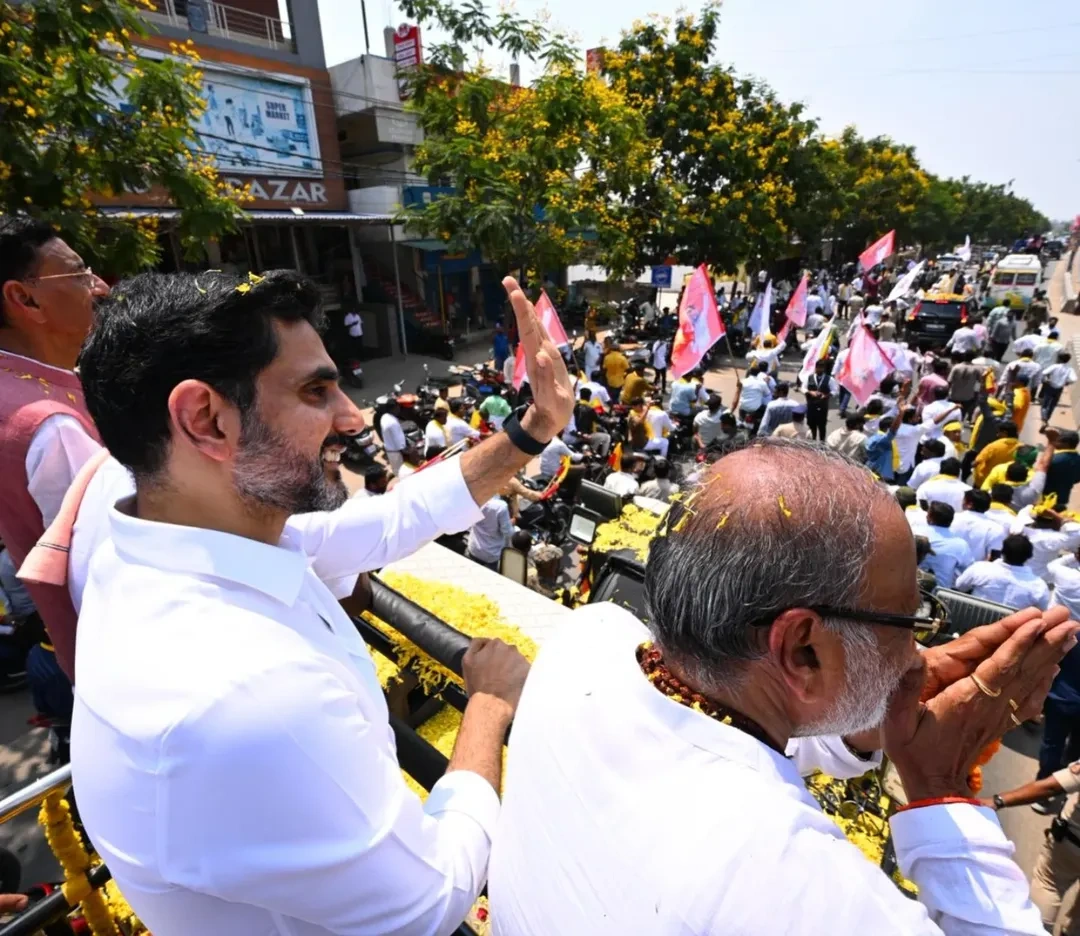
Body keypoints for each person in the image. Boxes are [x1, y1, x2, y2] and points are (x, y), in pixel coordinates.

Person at [69, 270, 575, 936]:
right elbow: (431, 901)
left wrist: (537, 428)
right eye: (316, 390)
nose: (352, 416)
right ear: (204, 418)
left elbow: (392, 522)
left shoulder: (154, 537)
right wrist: (487, 706)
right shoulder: (249, 694)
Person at [490, 436, 1077, 935]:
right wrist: (939, 786)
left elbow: (727, 740)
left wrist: (865, 730)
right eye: (909, 620)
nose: (919, 650)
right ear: (801, 650)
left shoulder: (590, 638)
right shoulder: (794, 883)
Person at [0, 217, 111, 680]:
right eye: (80, 273)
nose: (100, 286)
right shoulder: (54, 425)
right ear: (25, 298)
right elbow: (111, 571)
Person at [954, 534, 1050, 610]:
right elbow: (1041, 610)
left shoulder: (980, 568)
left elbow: (960, 586)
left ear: (1002, 552)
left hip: (970, 624)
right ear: (1029, 556)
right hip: (1009, 632)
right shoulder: (1039, 586)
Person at [920, 501, 974, 588]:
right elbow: (969, 570)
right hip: (941, 594)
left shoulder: (914, 532)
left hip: (911, 587)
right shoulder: (961, 545)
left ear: (930, 517)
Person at [951, 488, 1007, 563]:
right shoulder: (996, 528)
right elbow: (994, 558)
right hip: (976, 572)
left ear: (969, 504)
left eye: (963, 500)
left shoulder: (951, 518)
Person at [466, 495, 514, 570]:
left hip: (474, 548)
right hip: (491, 554)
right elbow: (508, 532)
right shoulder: (501, 507)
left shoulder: (476, 496)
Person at [973, 422, 1021, 488]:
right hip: (1004, 484)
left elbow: (977, 461)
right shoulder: (1021, 447)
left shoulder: (994, 446)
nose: (997, 435)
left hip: (985, 482)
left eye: (999, 432)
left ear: (1005, 433)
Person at [568, 388, 611, 457]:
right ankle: (601, 456)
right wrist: (609, 421)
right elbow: (599, 420)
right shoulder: (589, 409)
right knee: (607, 437)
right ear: (589, 397)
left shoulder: (574, 407)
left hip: (576, 434)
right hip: (586, 434)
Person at [1041, 351, 1077, 427]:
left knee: (1045, 405)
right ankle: (1047, 419)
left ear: (1059, 359)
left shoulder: (1055, 366)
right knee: (1052, 405)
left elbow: (1044, 372)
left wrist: (1046, 379)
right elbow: (1074, 379)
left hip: (1050, 386)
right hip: (1059, 389)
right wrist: (1067, 382)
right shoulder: (1069, 369)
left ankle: (1044, 419)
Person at [1045, 429, 1080, 506]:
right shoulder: (1078, 459)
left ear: (1066, 444)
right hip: (1063, 499)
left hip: (1045, 498)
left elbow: (1041, 475)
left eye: (1058, 441)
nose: (1055, 443)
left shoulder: (1053, 459)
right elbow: (1077, 479)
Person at [803, 359, 833, 442]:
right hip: (811, 405)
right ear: (815, 368)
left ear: (824, 368)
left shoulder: (829, 379)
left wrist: (826, 395)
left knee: (822, 425)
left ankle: (822, 443)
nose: (820, 369)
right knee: (811, 424)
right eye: (818, 368)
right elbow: (803, 388)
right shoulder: (809, 377)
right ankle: (812, 441)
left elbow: (835, 390)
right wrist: (810, 392)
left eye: (821, 368)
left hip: (822, 406)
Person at [948, 351, 983, 421]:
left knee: (951, 413)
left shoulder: (956, 367)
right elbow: (980, 381)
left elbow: (949, 381)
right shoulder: (976, 369)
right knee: (962, 413)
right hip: (968, 396)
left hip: (954, 395)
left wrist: (947, 393)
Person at [379, 398, 411, 474]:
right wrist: (407, 453)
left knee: (397, 471)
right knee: (402, 472)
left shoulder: (384, 417)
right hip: (397, 453)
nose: (399, 409)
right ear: (393, 409)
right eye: (397, 407)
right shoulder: (393, 423)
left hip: (390, 451)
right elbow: (399, 443)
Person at [738, 364, 773, 432]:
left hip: (743, 407)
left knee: (741, 419)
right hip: (756, 410)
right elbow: (767, 394)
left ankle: (741, 422)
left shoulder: (742, 381)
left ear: (749, 371)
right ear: (759, 372)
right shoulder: (762, 383)